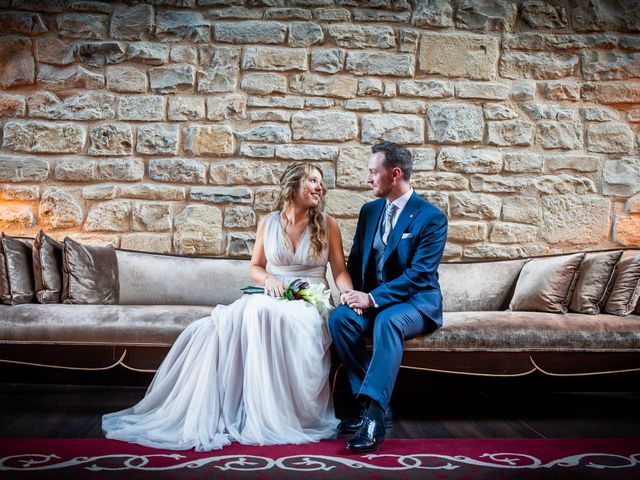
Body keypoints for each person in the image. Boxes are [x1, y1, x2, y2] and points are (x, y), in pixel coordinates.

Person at [103, 162, 354, 451]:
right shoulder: (268, 223)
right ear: (293, 186)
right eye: (312, 180)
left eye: (320, 182)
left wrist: (346, 293)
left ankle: (285, 412)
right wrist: (270, 279)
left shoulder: (327, 224)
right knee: (225, 322)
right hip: (274, 293)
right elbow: (256, 268)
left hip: (310, 300)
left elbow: (339, 271)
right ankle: (240, 408)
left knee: (264, 314)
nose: (319, 187)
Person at [329, 141, 448, 453]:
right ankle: (369, 402)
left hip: (416, 302)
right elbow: (355, 262)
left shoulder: (431, 217)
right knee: (340, 319)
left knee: (388, 320)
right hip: (373, 299)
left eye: (372, 172)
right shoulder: (369, 211)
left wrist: (372, 299)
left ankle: (373, 419)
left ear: (395, 174)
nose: (368, 179)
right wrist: (351, 295)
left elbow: (420, 276)